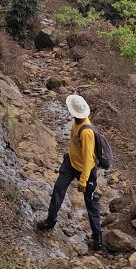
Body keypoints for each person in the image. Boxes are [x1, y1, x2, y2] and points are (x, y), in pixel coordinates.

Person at [36, 93, 103, 251]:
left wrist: (83, 180)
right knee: (58, 189)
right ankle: (50, 220)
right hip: (70, 164)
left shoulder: (87, 132)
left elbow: (88, 159)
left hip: (85, 171)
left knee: (91, 203)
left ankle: (98, 237)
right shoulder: (76, 122)